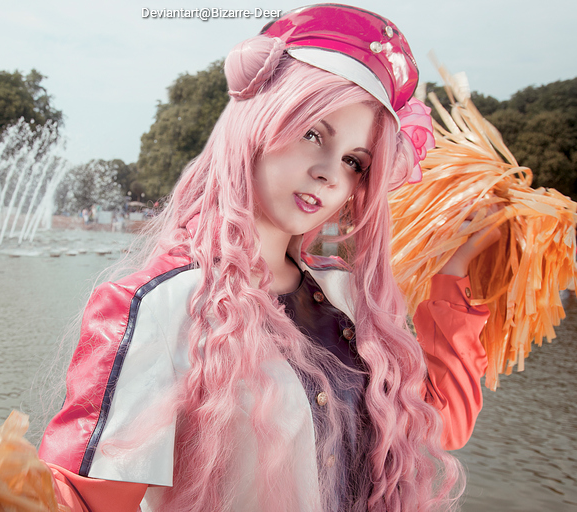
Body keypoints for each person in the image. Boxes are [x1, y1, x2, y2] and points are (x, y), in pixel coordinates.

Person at [39, 5, 499, 512]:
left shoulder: (346, 294)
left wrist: (454, 273)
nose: (329, 172)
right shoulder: (160, 305)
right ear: (257, 123)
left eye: (353, 162)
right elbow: (90, 504)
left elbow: (441, 424)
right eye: (312, 134)